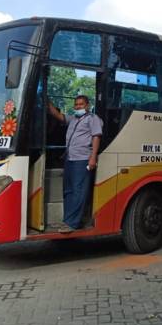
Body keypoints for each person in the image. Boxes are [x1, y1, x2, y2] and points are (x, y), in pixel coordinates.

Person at [47, 95, 103, 233]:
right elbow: (58, 115)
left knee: (79, 191)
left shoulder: (92, 119)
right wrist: (46, 100)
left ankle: (73, 223)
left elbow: (96, 136)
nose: (78, 107)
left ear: (87, 105)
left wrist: (93, 157)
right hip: (70, 159)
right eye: (76, 105)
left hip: (83, 159)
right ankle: (67, 220)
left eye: (81, 104)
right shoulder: (73, 119)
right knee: (68, 191)